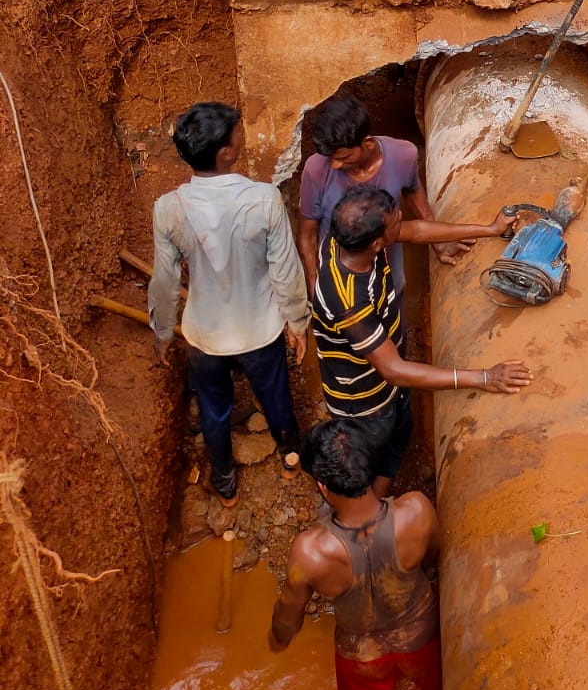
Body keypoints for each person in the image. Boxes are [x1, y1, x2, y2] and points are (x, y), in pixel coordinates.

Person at [312, 186, 531, 494]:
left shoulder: (349, 239)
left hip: (387, 378)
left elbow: (414, 231)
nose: (402, 217)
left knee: (400, 435)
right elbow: (394, 370)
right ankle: (375, 512)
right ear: (377, 243)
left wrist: (490, 229)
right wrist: (483, 377)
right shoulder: (348, 300)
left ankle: (387, 484)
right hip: (364, 400)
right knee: (370, 456)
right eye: (395, 222)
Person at [148, 101, 311, 506]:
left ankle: (224, 483)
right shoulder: (264, 199)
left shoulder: (168, 209)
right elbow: (285, 272)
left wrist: (164, 331)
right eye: (238, 132)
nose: (243, 135)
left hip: (205, 335)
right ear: (225, 152)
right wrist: (297, 322)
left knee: (213, 408)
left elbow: (166, 282)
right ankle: (291, 455)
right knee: (275, 397)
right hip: (260, 329)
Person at [270, 419, 444, 690]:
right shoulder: (416, 511)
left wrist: (278, 641)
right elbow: (434, 554)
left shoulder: (311, 552)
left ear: (321, 485)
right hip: (421, 630)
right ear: (369, 465)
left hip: (361, 652)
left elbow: (289, 614)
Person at [298, 93, 467, 297]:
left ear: (367, 143)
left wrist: (437, 240)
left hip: (389, 271)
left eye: (344, 157)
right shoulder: (315, 169)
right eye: (331, 158)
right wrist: (314, 284)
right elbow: (307, 235)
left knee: (392, 311)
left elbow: (412, 190)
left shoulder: (403, 155)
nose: (334, 165)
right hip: (340, 281)